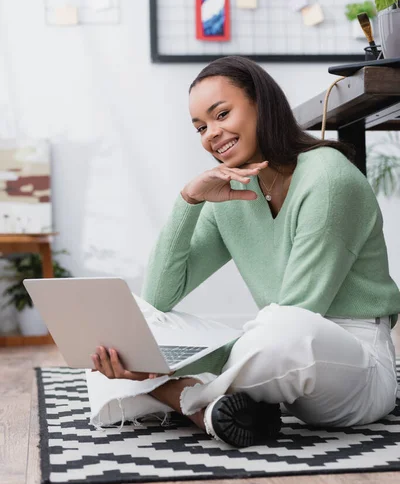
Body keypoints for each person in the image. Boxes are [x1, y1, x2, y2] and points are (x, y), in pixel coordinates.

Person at [90, 55, 400, 448]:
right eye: (201, 127)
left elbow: (299, 311)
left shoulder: (328, 178)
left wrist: (161, 365)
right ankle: (214, 405)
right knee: (120, 338)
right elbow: (158, 297)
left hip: (355, 371)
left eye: (222, 114)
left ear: (261, 105)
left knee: (281, 332)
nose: (211, 134)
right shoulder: (232, 194)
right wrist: (189, 200)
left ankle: (185, 400)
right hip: (280, 358)